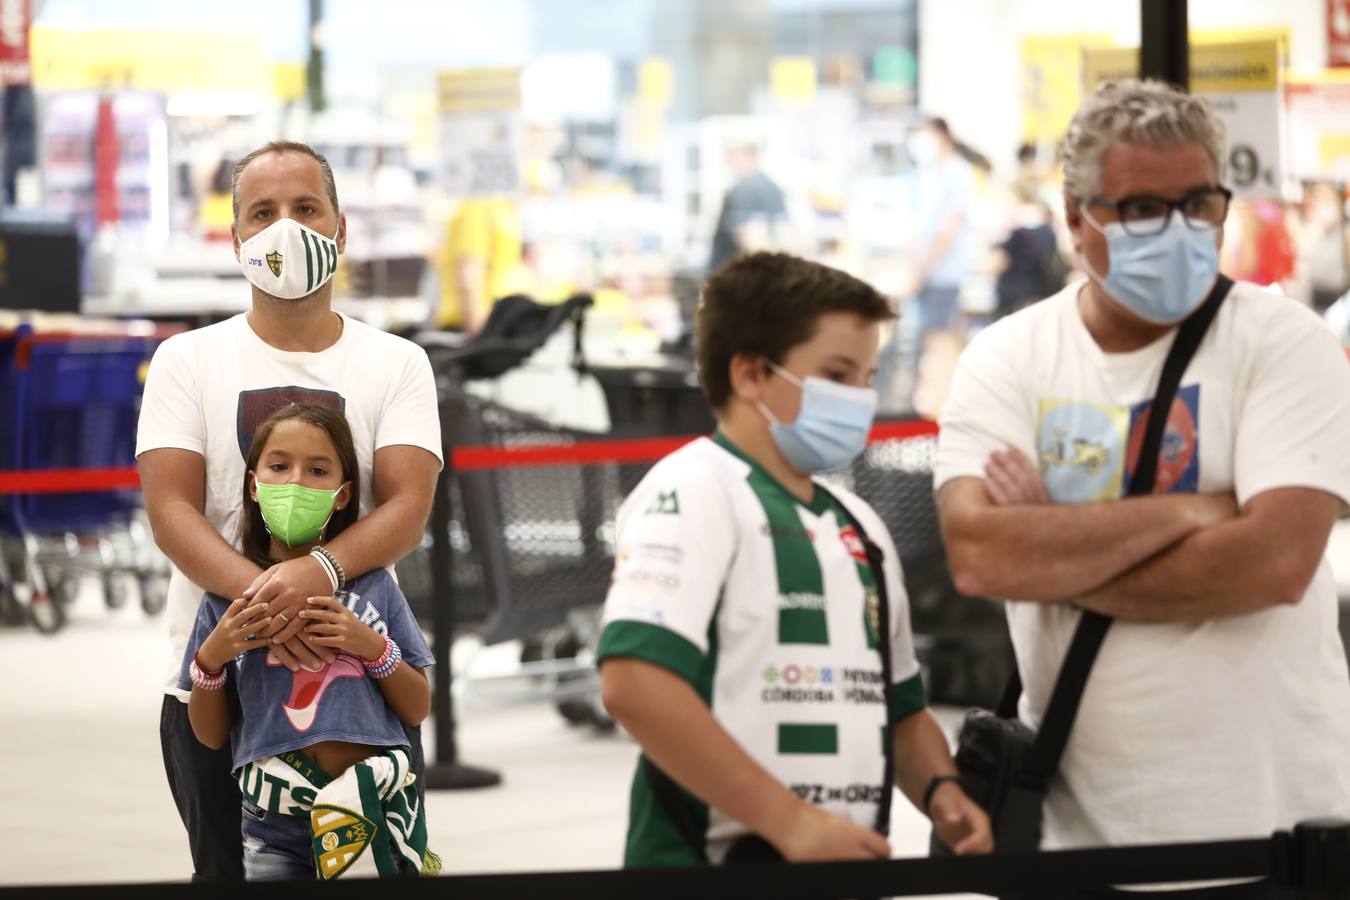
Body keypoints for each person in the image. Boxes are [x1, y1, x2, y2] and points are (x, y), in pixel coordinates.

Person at [935, 80, 1350, 897]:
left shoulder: (1284, 343)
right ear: (1075, 213)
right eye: (1142, 209)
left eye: (1198, 203)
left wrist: (1056, 543)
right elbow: (982, 556)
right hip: (1074, 837)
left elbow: (1274, 566)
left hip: (1276, 833)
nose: (1179, 229)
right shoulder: (1008, 358)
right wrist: (1194, 512)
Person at [598, 251, 992, 866]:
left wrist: (942, 791)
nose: (860, 397)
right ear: (752, 374)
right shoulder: (694, 489)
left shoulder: (859, 523)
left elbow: (900, 705)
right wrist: (791, 823)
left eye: (867, 376)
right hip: (705, 863)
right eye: (838, 374)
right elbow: (634, 682)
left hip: (839, 859)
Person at [136, 140, 443, 880]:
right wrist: (266, 602)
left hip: (362, 689)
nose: (284, 227)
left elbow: (407, 505)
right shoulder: (188, 361)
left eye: (305, 208)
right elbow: (172, 511)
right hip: (215, 675)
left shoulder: (397, 364)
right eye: (262, 212)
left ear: (339, 229)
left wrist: (322, 571)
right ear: (237, 238)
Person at [180, 404, 435, 880]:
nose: (296, 482)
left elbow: (417, 707)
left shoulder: (375, 586)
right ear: (253, 485)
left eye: (318, 470)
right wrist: (211, 657)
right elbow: (211, 735)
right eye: (279, 466)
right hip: (274, 824)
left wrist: (370, 646)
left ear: (342, 496)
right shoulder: (225, 602)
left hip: (374, 809)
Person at [434, 195, 525, 333]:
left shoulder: (502, 210)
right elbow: (469, 274)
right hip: (472, 325)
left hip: (495, 322)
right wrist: (478, 333)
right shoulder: (478, 208)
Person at [707, 140, 789, 274]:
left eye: (732, 155)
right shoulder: (773, 186)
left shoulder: (743, 188)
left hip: (734, 270)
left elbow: (746, 234)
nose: (729, 161)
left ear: (743, 156)